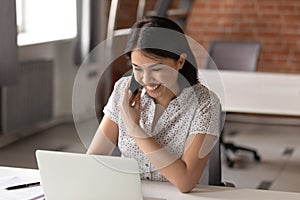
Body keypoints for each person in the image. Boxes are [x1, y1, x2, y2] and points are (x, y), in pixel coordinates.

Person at [87, 16, 220, 193]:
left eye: (156, 69)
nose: (146, 79)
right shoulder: (123, 91)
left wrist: (135, 130)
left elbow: (185, 181)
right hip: (128, 194)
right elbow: (94, 159)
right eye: (137, 68)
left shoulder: (204, 103)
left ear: (180, 61)